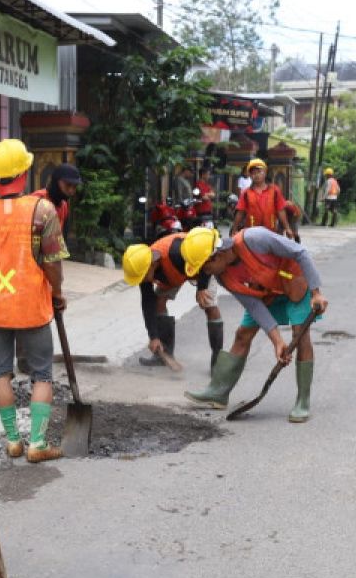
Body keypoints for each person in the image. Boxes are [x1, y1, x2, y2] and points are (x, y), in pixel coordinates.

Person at [0, 138, 67, 463]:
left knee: (1, 372)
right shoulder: (43, 210)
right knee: (42, 374)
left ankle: (13, 441)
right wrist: (57, 293)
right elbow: (52, 263)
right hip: (32, 307)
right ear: (24, 172)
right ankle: (37, 443)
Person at [183, 226, 328, 423]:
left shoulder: (254, 239)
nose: (205, 275)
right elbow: (254, 306)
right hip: (266, 294)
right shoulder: (223, 276)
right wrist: (277, 341)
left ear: (217, 256)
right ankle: (218, 392)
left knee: (299, 335)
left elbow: (299, 252)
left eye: (204, 269)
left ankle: (303, 400)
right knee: (243, 334)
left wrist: (316, 292)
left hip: (294, 283)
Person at [121, 234, 226, 371]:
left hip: (201, 266)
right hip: (173, 275)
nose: (142, 280)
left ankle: (217, 360)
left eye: (142, 276)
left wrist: (202, 287)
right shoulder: (143, 268)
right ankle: (164, 353)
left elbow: (205, 260)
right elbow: (147, 302)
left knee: (208, 305)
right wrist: (153, 336)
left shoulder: (176, 252)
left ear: (152, 264)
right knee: (158, 302)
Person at [233, 159, 296, 238]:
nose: (256, 175)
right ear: (250, 175)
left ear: (265, 172)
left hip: (271, 232)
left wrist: (287, 228)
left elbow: (281, 211)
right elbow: (240, 212)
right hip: (251, 234)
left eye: (259, 172)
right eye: (253, 173)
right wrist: (234, 229)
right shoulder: (246, 193)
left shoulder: (274, 190)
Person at [32, 163, 82, 238]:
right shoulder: (37, 199)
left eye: (74, 187)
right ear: (56, 181)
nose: (71, 191)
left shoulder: (64, 205)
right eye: (68, 185)